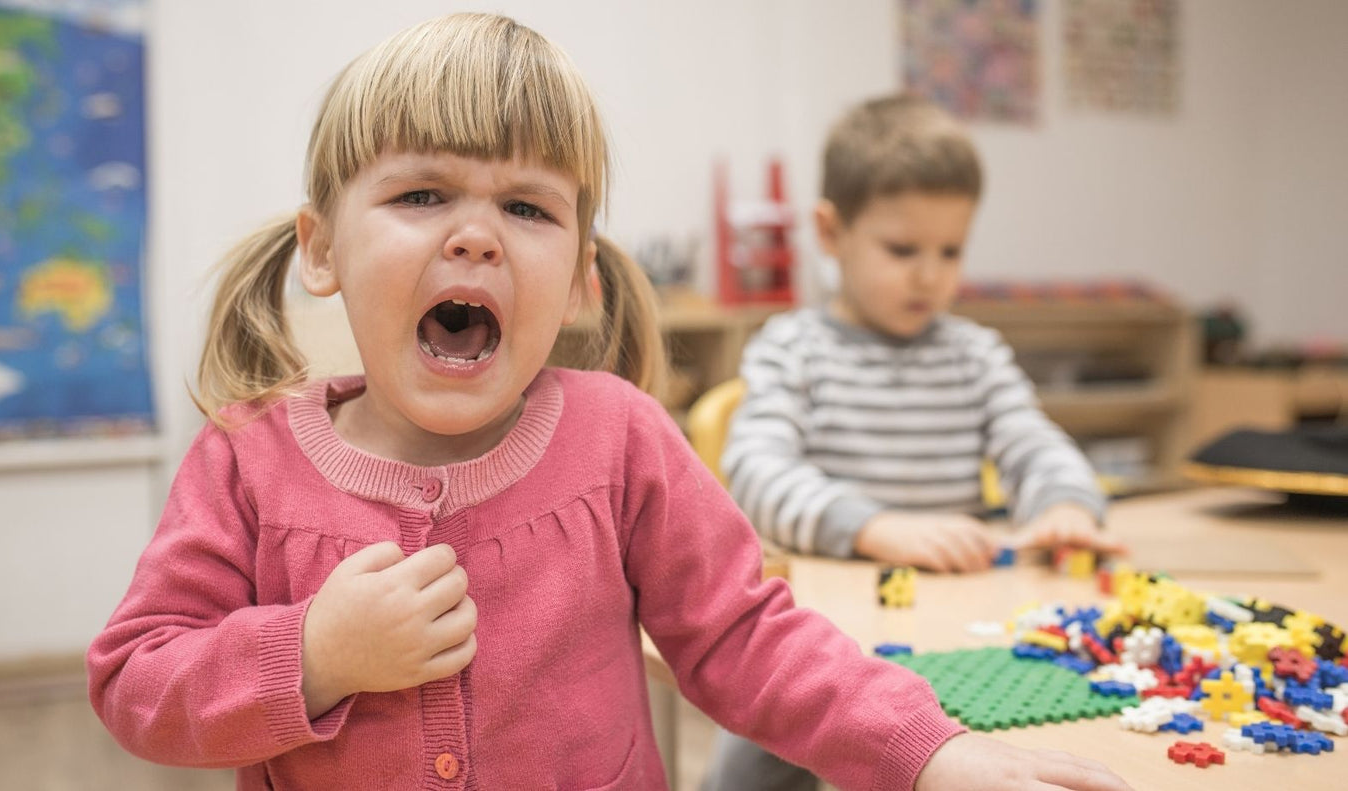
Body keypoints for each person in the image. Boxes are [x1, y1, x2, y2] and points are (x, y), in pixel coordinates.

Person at [88, 17, 1132, 791]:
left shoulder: (618, 436)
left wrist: (930, 752)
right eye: (419, 195)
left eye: (526, 207)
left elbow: (744, 637)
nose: (474, 234)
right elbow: (136, 681)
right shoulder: (245, 461)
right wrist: (310, 653)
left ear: (581, 275)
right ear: (321, 248)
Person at [702, 95, 1127, 790]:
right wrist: (873, 526)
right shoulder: (792, 348)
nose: (929, 274)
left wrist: (1065, 502)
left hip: (958, 626)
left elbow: (1031, 439)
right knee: (752, 757)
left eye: (949, 251)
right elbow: (754, 470)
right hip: (821, 640)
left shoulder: (974, 352)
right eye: (902, 250)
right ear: (830, 233)